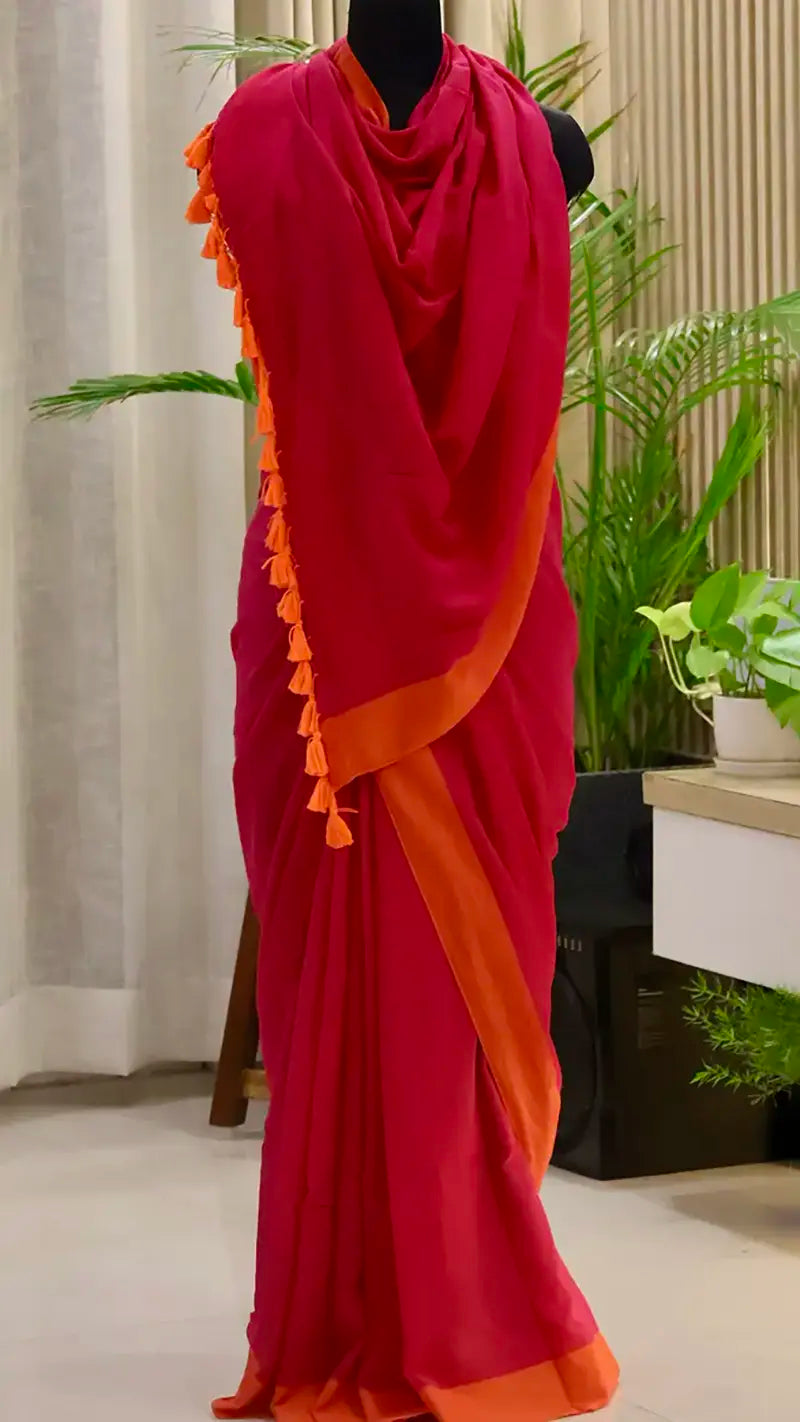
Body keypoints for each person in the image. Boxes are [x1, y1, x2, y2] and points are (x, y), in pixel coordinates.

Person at [184, 9, 618, 1418]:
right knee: (335, 971)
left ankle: (472, 1293)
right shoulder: (262, 137)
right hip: (326, 632)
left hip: (471, 640)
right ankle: (341, 1304)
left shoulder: (538, 145)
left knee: (461, 962)